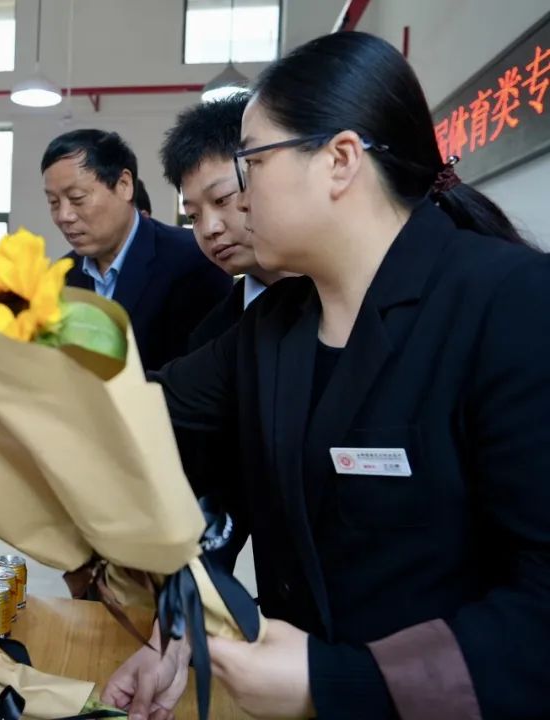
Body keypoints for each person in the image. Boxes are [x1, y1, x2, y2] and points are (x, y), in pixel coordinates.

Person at [104, 31, 550, 720]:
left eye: (252, 164)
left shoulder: (511, 304)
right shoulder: (273, 326)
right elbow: (145, 413)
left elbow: (538, 613)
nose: (240, 199)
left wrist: (335, 681)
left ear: (340, 161)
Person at [41, 129, 230, 372]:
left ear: (124, 185)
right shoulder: (59, 278)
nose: (63, 216)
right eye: (53, 203)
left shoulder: (193, 260)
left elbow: (204, 374)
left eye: (77, 198)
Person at [161, 92, 287, 353]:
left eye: (221, 199)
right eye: (193, 216)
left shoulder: (345, 293)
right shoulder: (211, 336)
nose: (210, 229)